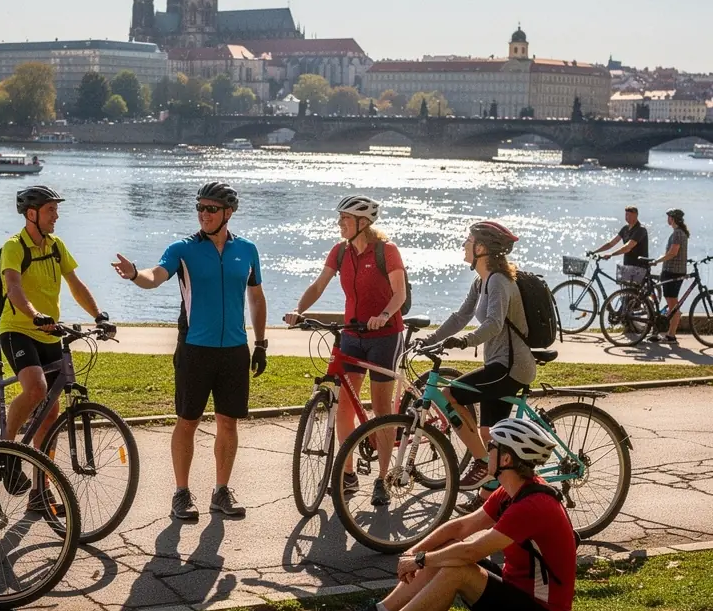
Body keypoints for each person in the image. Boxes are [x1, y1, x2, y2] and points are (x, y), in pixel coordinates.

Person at [326, 418, 575, 611]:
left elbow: (472, 551)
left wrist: (421, 561)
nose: (486, 450)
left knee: (456, 568)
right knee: (448, 546)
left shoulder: (532, 506)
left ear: (506, 459)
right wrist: (414, 551)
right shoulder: (512, 491)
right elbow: (459, 528)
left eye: (492, 446)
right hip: (517, 592)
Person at [112, 182, 267, 521]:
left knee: (228, 423)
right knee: (187, 421)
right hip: (196, 349)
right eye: (200, 208)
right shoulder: (183, 249)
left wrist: (261, 343)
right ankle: (181, 493)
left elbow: (255, 297)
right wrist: (135, 274)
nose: (204, 214)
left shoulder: (248, 250)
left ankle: (221, 491)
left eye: (211, 209)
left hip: (235, 350)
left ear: (228, 213)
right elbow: (156, 276)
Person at [284, 196, 407, 505]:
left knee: (381, 410)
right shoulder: (340, 252)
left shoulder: (386, 251)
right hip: (352, 334)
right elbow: (318, 285)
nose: (340, 223)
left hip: (383, 336)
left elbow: (399, 294)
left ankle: (383, 479)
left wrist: (384, 316)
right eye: (340, 218)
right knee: (344, 408)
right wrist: (298, 309)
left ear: (362, 223)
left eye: (345, 219)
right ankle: (348, 474)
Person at [0, 185, 111, 479]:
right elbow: (13, 287)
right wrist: (35, 315)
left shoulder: (56, 245)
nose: (56, 216)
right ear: (32, 213)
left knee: (50, 412)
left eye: (56, 210)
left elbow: (75, 284)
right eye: (51, 210)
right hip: (18, 330)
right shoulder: (14, 247)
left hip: (49, 333)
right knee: (36, 389)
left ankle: (40, 490)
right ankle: (4, 449)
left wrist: (99, 316)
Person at [419, 221, 536, 499]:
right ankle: (489, 500)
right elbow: (461, 317)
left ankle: (483, 463)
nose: (463, 245)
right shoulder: (481, 281)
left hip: (510, 366)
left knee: (450, 393)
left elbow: (494, 324)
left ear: (481, 248)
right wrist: (430, 340)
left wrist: (465, 341)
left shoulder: (498, 281)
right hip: (499, 365)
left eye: (468, 240)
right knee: (489, 433)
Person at [648, 208, 690, 343]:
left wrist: (657, 261)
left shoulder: (677, 233)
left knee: (672, 304)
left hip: (672, 272)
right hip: (674, 270)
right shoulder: (680, 232)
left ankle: (671, 335)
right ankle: (669, 333)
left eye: (669, 217)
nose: (667, 219)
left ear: (673, 219)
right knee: (672, 303)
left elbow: (673, 253)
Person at [593, 205, 649, 281]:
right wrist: (595, 251)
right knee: (625, 291)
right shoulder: (625, 229)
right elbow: (611, 243)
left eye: (629, 215)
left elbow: (627, 247)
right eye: (626, 214)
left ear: (635, 215)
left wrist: (611, 254)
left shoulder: (640, 229)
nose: (626, 217)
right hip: (627, 265)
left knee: (634, 291)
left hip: (639, 267)